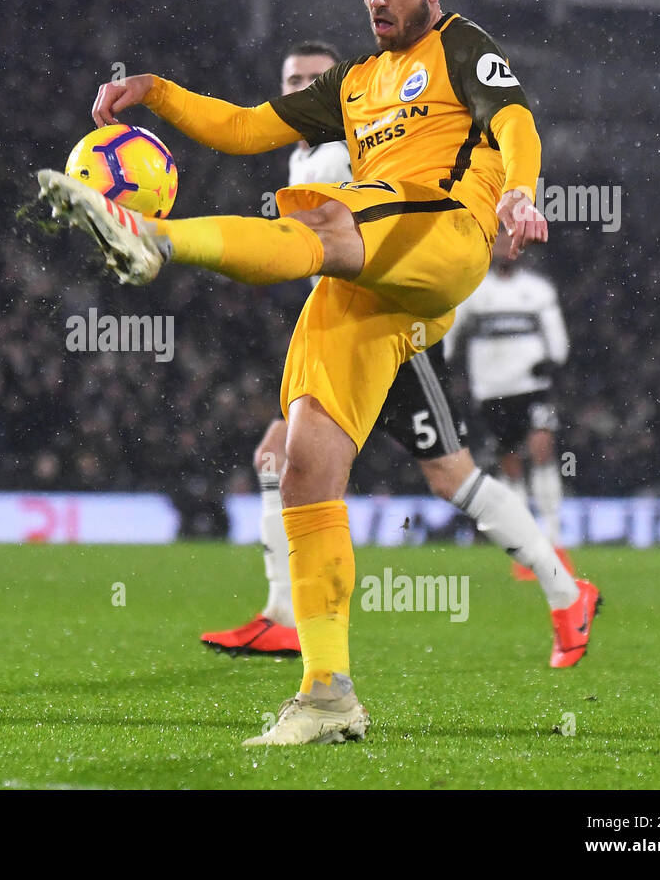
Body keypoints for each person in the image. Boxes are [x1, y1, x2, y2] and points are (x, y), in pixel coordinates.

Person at [38, 0, 600, 746]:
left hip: (447, 230)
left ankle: (156, 240)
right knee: (304, 470)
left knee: (327, 224)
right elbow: (241, 128)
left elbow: (514, 119)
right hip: (371, 270)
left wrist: (521, 191)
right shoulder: (353, 83)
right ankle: (328, 692)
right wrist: (154, 89)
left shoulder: (459, 46)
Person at [201, 43, 583, 666]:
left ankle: (566, 591)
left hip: (392, 329)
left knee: (451, 475)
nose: (300, 89)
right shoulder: (301, 163)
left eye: (311, 81)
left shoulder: (343, 150)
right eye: (290, 80)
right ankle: (282, 616)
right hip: (344, 328)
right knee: (280, 457)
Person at [448, 247, 570, 558]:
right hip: (491, 388)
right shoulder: (474, 291)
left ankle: (554, 534)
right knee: (509, 460)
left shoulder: (537, 289)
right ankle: (527, 536)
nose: (506, 248)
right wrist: (441, 361)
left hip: (532, 385)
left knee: (542, 448)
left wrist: (554, 357)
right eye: (499, 239)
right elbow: (451, 330)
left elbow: (556, 335)